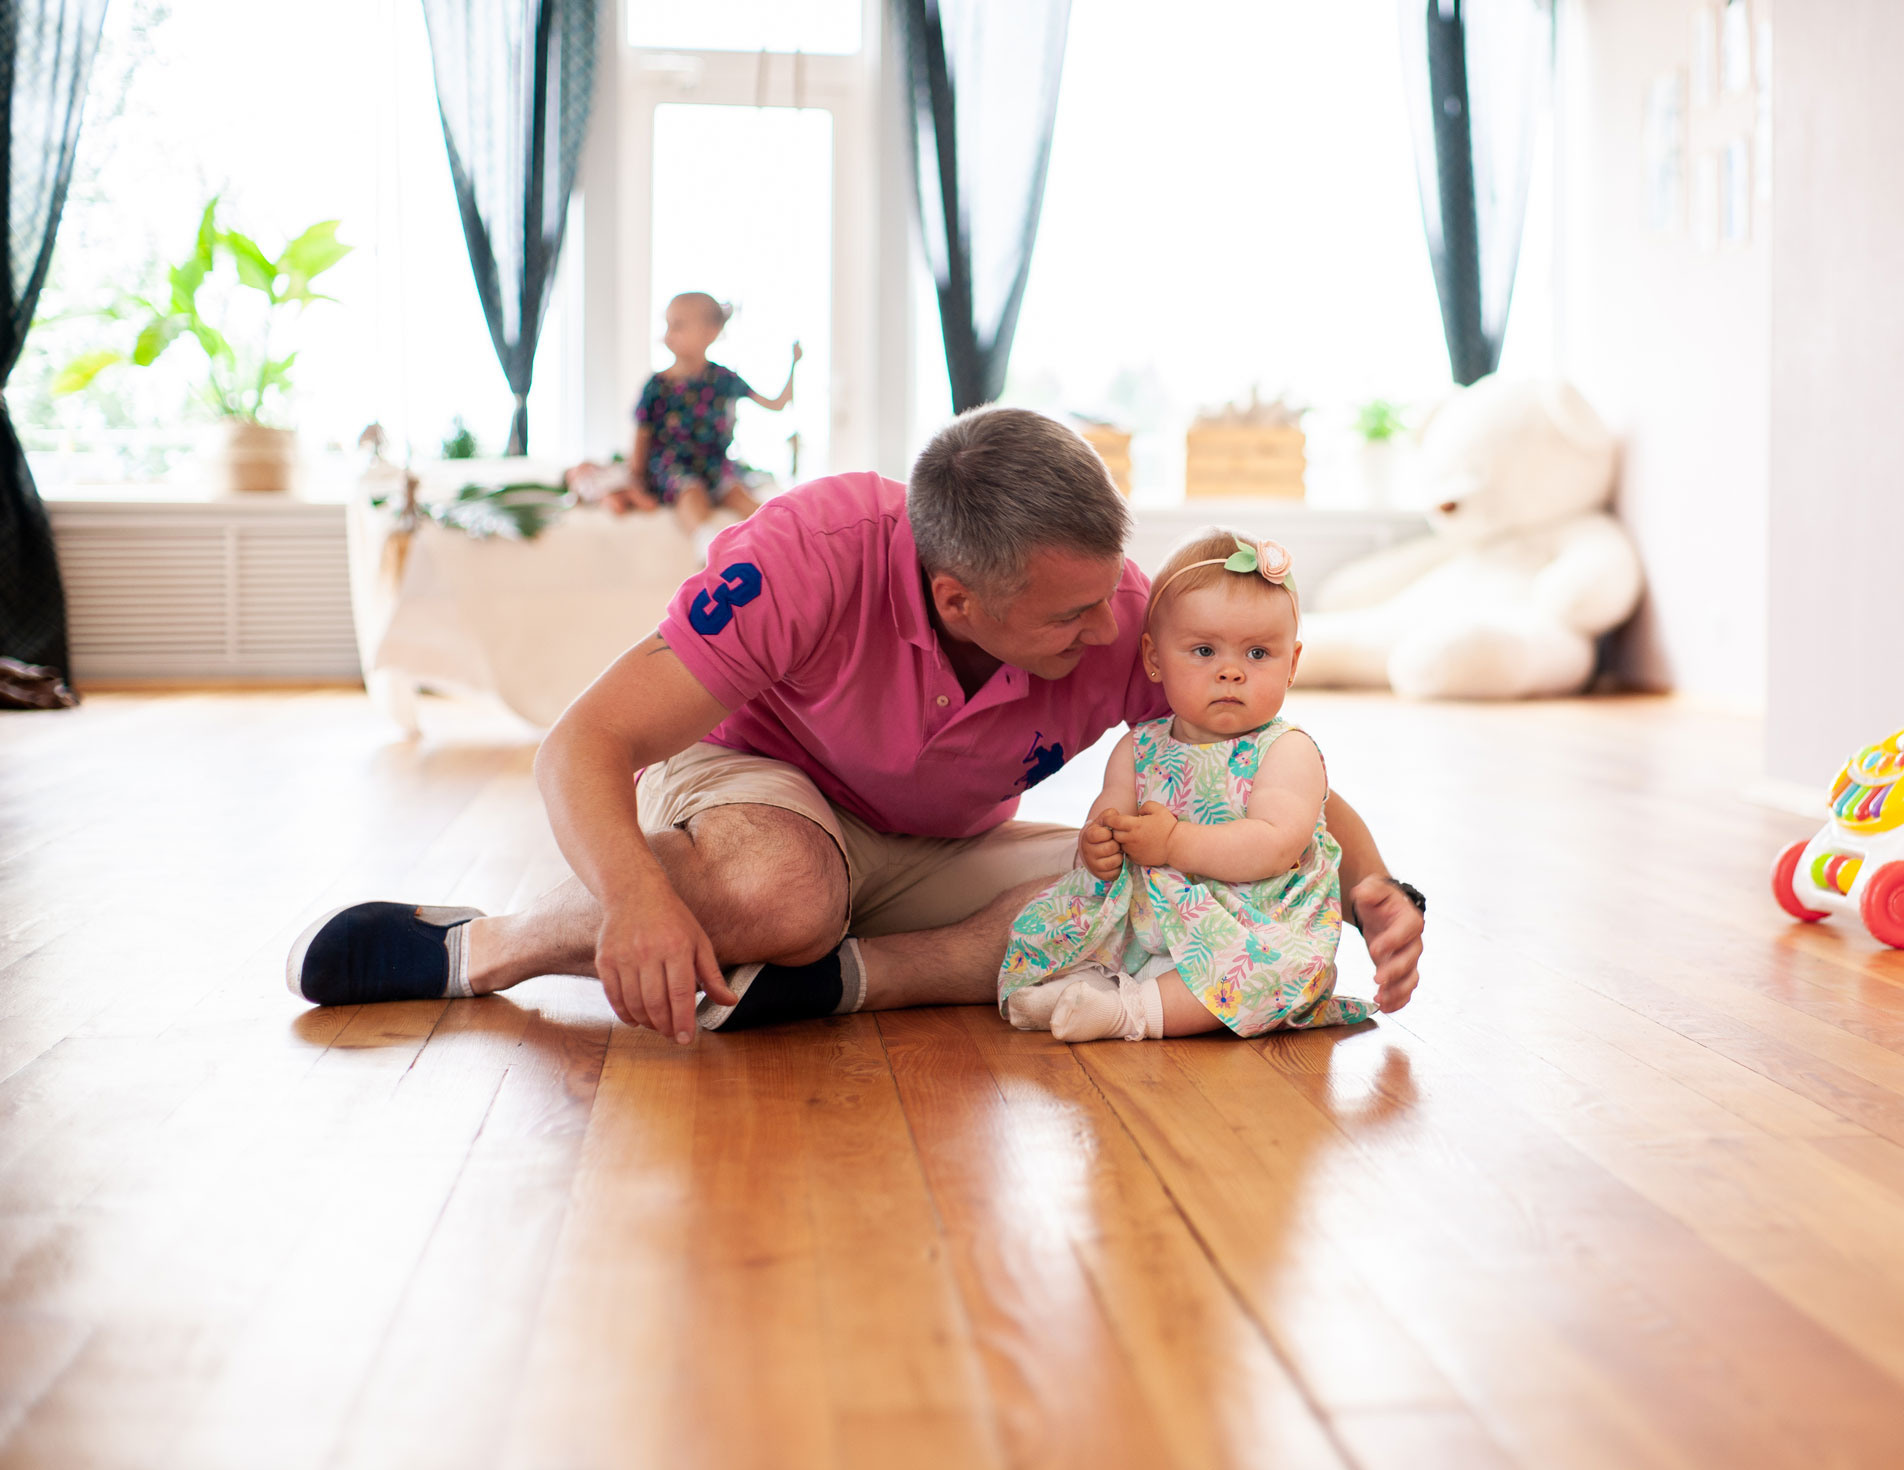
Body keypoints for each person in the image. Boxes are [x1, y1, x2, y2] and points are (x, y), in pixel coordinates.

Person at [286, 408, 1425, 1043]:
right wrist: (635, 900)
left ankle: (830, 984)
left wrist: (1364, 884)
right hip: (758, 788)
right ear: (955, 599)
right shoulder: (808, 556)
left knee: (1128, 896)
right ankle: (486, 947)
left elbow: (1256, 770)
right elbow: (579, 744)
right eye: (1070, 613)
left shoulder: (1118, 611)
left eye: (1108, 593)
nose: (1108, 628)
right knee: (788, 893)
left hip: (936, 838)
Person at [1000, 528, 1369, 1042]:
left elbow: (1274, 845)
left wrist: (1174, 842)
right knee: (1069, 918)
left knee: (1270, 975)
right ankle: (1077, 984)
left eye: (1258, 654)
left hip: (1253, 925)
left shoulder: (1287, 751)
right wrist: (1099, 841)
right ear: (1154, 658)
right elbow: (1108, 813)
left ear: (1293, 664)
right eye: (1203, 651)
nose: (1231, 673)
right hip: (1155, 913)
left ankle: (1129, 1013)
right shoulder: (1139, 747)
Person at [601, 291, 802, 536]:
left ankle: (782, 535)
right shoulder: (657, 385)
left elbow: (777, 404)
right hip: (671, 466)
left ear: (711, 332)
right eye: (668, 325)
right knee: (690, 493)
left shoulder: (723, 378)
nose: (669, 334)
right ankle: (705, 542)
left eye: (678, 326)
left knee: (739, 494)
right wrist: (636, 480)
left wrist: (794, 366)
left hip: (715, 464)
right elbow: (642, 436)